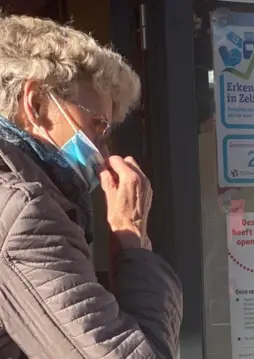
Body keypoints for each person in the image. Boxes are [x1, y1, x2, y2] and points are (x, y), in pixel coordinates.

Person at [0, 15, 183, 358]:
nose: (104, 150)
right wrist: (132, 234)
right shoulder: (24, 215)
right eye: (97, 125)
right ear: (36, 104)